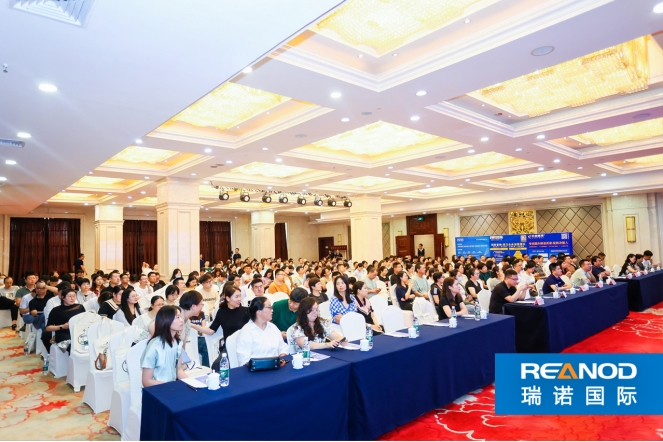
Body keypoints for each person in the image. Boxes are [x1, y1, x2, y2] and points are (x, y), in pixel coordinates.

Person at [141, 305, 187, 386]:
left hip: (170, 387)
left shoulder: (178, 342)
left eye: (180, 317)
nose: (181, 320)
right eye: (177, 317)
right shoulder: (154, 346)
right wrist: (170, 386)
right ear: (166, 320)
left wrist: (191, 383)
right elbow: (146, 381)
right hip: (156, 389)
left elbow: (179, 370)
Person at [235, 297, 288, 367]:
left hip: (275, 367)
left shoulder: (273, 327)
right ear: (259, 312)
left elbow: (283, 347)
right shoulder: (247, 332)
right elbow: (244, 360)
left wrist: (282, 355)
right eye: (269, 307)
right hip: (256, 370)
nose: (272, 310)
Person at [205, 284, 250, 349]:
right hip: (229, 347)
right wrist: (193, 326)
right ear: (228, 298)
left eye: (240, 296)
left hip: (245, 346)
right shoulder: (221, 312)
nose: (239, 299)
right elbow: (211, 330)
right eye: (236, 297)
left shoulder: (246, 311)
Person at [43, 289, 85, 353]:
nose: (72, 298)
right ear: (63, 297)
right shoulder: (56, 310)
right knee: (73, 344)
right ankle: (73, 358)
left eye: (74, 296)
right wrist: (62, 326)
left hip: (79, 332)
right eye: (69, 296)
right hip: (63, 333)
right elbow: (48, 328)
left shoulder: (80, 307)